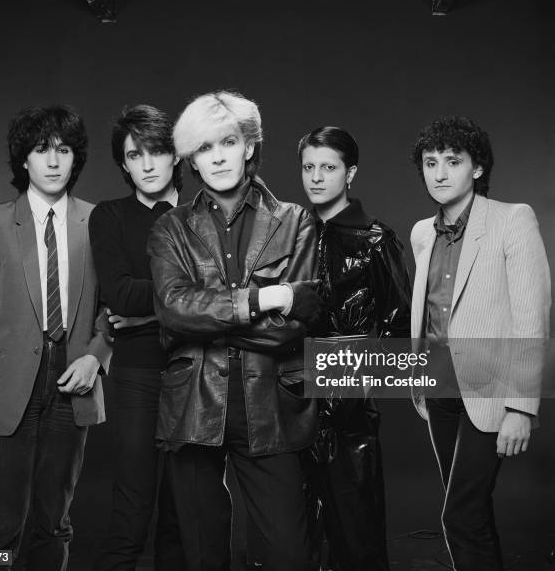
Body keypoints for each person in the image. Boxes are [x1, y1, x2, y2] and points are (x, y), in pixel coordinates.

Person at [146, 90, 322, 571]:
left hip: (273, 405)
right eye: (204, 148)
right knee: (202, 556)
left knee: (290, 554)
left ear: (248, 146)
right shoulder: (171, 228)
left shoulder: (294, 221)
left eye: (227, 141)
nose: (218, 156)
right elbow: (173, 311)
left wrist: (203, 324)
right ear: (192, 161)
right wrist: (263, 299)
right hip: (194, 407)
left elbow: (294, 328)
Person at [0, 105, 112, 570]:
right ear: (23, 159)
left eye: (63, 151)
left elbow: (117, 305)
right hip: (9, 385)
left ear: (74, 159)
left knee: (55, 520)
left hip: (73, 378)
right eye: (41, 150)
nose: (52, 161)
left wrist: (96, 356)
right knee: (1, 522)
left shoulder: (97, 220)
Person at [409, 116, 550, 570]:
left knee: (460, 514)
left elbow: (532, 318)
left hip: (492, 389)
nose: (440, 173)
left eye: (453, 161)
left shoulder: (513, 219)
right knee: (472, 509)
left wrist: (521, 406)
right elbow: (428, 310)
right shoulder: (422, 233)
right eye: (431, 163)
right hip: (439, 386)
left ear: (477, 168)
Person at [299, 125, 411, 571]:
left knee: (355, 532)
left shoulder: (376, 239)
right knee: (296, 530)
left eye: (328, 167)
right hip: (290, 400)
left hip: (348, 411)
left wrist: (352, 383)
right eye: (308, 167)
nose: (317, 177)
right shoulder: (293, 234)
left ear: (350, 174)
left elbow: (399, 324)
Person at [88, 104, 185, 571]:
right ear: (123, 163)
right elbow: (119, 294)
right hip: (138, 378)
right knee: (132, 504)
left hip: (198, 374)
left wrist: (147, 318)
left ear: (175, 157)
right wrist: (184, 299)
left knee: (183, 514)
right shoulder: (109, 216)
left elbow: (222, 296)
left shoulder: (200, 215)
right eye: (134, 155)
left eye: (157, 152)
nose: (146, 165)